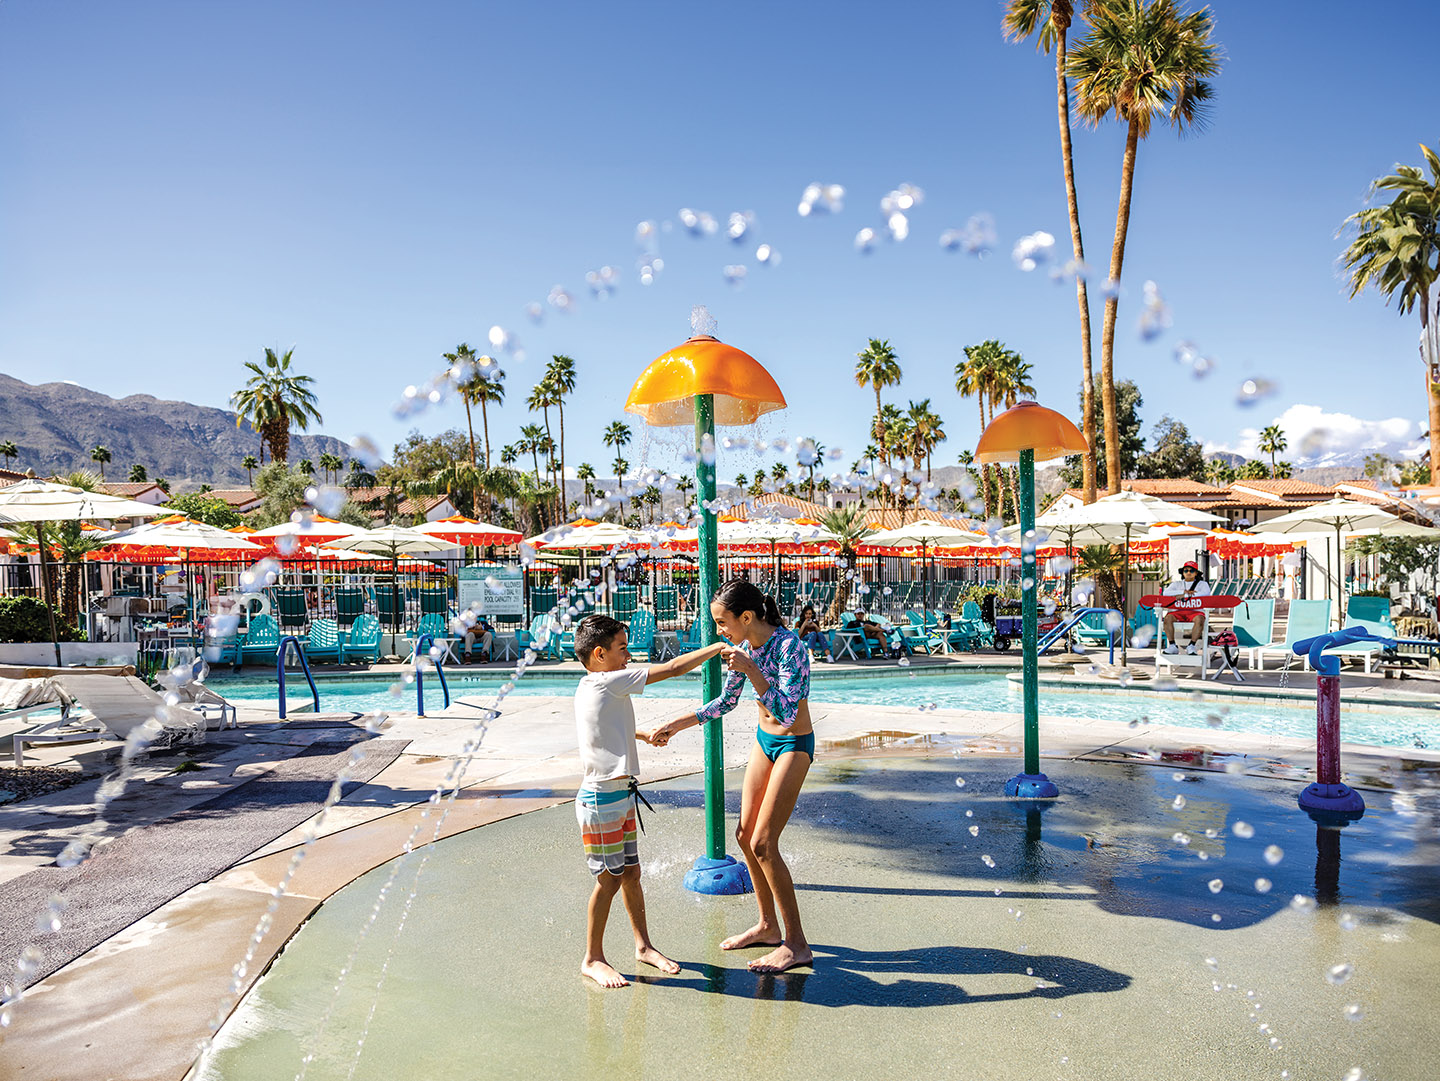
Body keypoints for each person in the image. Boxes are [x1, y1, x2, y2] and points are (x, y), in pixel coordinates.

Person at [642, 581, 814, 974]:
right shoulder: (745, 650)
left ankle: (797, 944)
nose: (720, 631)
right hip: (765, 742)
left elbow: (787, 711)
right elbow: (727, 702)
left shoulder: (790, 648)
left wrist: (753, 670)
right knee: (743, 837)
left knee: (764, 842)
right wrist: (678, 724)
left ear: (746, 617)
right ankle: (768, 926)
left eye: (723, 622)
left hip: (793, 745)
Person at [572, 614, 723, 989]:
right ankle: (592, 958)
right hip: (599, 800)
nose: (629, 656)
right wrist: (718, 647)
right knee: (608, 881)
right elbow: (672, 668)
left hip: (618, 796)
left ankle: (643, 946)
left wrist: (640, 734)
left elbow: (601, 728)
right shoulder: (611, 679)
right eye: (622, 649)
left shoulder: (592, 684)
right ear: (599, 654)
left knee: (631, 874)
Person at [1161, 560, 1213, 655]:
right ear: (1183, 573)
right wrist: (1183, 592)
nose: (1188, 573)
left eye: (1191, 571)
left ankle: (1191, 645)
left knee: (1200, 619)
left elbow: (1205, 593)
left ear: (1196, 573)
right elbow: (1165, 593)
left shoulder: (1202, 584)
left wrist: (1184, 596)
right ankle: (1172, 645)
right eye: (1186, 571)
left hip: (1195, 611)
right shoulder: (1176, 584)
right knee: (1167, 618)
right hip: (1178, 611)